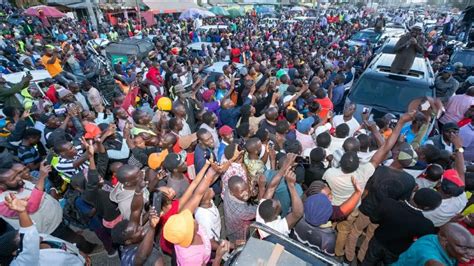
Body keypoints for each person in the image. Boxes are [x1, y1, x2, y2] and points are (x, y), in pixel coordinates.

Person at [362, 188, 442, 265]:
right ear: (427, 208)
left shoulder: (388, 203)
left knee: (368, 261)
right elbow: (417, 243)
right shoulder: (426, 225)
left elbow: (373, 219)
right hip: (396, 251)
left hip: (378, 241)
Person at [391, 223, 474, 265]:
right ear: (444, 241)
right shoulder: (427, 252)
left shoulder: (435, 238)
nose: (471, 253)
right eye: (464, 248)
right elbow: (432, 262)